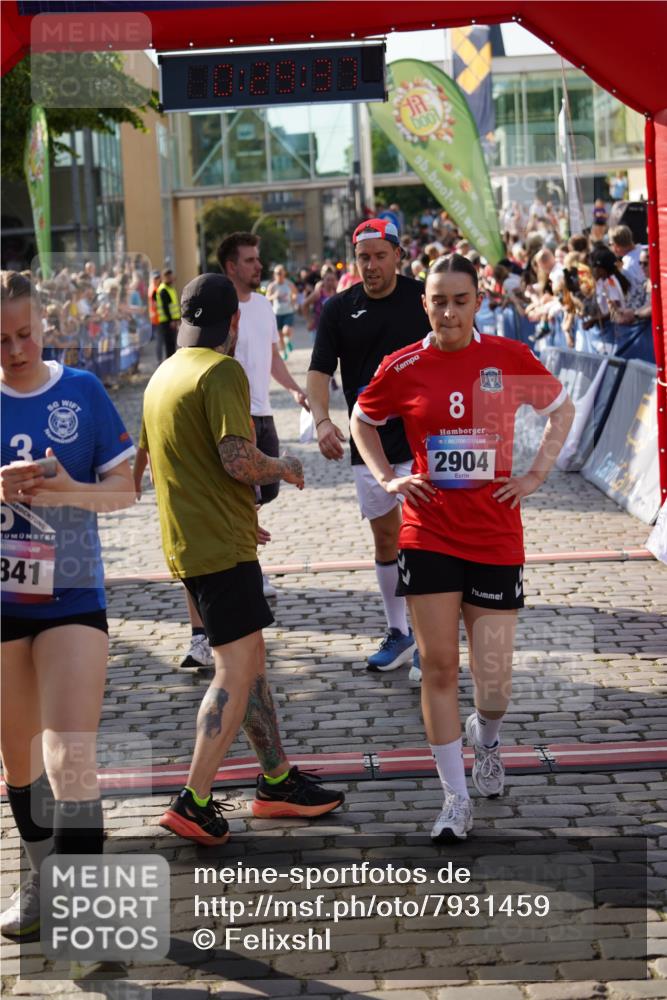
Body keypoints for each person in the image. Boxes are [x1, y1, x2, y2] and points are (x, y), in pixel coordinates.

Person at [350, 254, 574, 842]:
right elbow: (361, 420)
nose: (448, 311)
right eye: (438, 300)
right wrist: (387, 478)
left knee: (493, 678)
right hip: (428, 532)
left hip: (495, 533)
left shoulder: (507, 358)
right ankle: (454, 799)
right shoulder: (404, 365)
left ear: (479, 301)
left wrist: (533, 477)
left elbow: (561, 411)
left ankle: (489, 740)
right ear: (424, 304)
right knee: (439, 667)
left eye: (460, 300)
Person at [137, 273, 344, 845]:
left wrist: (238, 516)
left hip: (193, 542)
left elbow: (168, 461)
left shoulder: (163, 376)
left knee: (250, 663)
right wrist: (284, 467)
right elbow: (234, 457)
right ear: (233, 323)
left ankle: (276, 781)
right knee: (235, 669)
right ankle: (193, 798)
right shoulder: (221, 371)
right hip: (219, 550)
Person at [0, 270, 135, 938]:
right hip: (3, 600)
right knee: (19, 760)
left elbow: (125, 493)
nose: (15, 350)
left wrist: (62, 488)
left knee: (68, 755)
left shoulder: (81, 391)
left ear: (43, 325)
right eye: (0, 341)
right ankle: (40, 874)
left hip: (73, 593)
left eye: (24, 334)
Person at [307, 218, 431, 682]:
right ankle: (398, 633)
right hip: (370, 439)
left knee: (423, 538)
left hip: (424, 437)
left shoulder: (422, 298)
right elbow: (319, 371)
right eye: (364, 258)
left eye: (381, 256)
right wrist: (322, 420)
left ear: (398, 254)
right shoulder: (339, 309)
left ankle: (429, 639)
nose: (373, 265)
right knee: (386, 537)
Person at [265, 264, 298, 359]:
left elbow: (295, 293)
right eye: (276, 273)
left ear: (284, 273)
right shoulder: (272, 286)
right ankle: (284, 352)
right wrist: (273, 296)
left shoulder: (289, 284)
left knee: (286, 330)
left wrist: (293, 300)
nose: (278, 275)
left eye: (280, 273)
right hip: (276, 313)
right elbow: (267, 298)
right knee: (280, 336)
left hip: (288, 311)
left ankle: (289, 342)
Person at [155, 267, 180, 362]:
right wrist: (172, 321)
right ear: (163, 277)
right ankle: (170, 363)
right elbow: (166, 307)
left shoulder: (170, 288)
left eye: (170, 276)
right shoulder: (163, 290)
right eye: (167, 277)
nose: (170, 278)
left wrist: (176, 319)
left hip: (171, 321)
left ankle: (172, 362)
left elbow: (173, 306)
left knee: (172, 344)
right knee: (169, 345)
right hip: (167, 322)